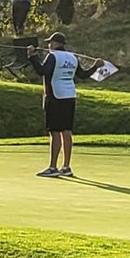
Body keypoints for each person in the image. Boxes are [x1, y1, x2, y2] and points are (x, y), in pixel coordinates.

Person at [27, 32, 102, 178]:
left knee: (54, 132)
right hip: (69, 96)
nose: (49, 45)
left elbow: (42, 71)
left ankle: (53, 167)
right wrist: (95, 66)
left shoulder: (53, 56)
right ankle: (66, 166)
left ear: (56, 44)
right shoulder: (73, 57)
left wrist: (32, 57)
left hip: (55, 96)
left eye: (50, 43)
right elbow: (83, 75)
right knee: (66, 131)